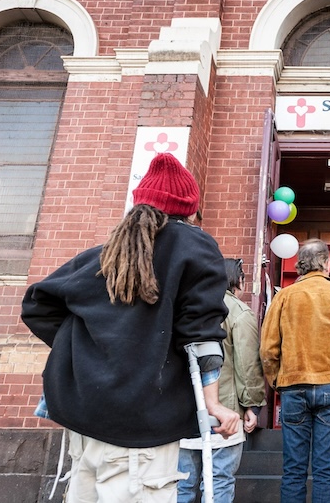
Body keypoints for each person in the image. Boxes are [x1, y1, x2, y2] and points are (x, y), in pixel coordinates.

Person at [20, 153, 241, 502]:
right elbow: (200, 331)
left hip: (84, 418)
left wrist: (86, 353)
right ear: (188, 208)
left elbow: (37, 304)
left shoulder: (104, 253)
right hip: (140, 424)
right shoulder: (193, 246)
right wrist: (214, 405)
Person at [260, 238, 330, 503]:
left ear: (300, 265)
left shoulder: (284, 295)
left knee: (293, 470)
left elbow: (268, 350)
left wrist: (277, 382)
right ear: (325, 263)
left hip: (294, 387)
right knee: (325, 471)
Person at [178, 258, 267, 503]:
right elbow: (247, 365)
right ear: (236, 280)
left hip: (182, 411)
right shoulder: (238, 311)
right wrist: (253, 405)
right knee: (218, 482)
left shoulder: (184, 306)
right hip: (223, 413)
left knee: (181, 483)